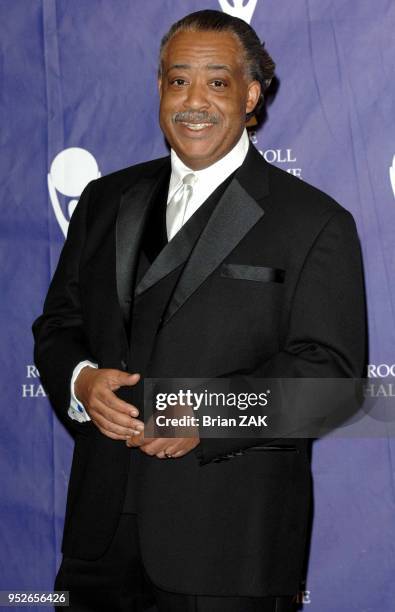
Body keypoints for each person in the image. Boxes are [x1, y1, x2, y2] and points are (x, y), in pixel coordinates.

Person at [33, 9, 366, 612]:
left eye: (217, 82)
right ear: (159, 88)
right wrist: (81, 379)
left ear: (252, 96)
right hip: (97, 541)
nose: (194, 100)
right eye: (177, 79)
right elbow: (60, 324)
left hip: (231, 547)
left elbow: (333, 381)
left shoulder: (314, 221)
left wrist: (209, 413)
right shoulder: (106, 200)